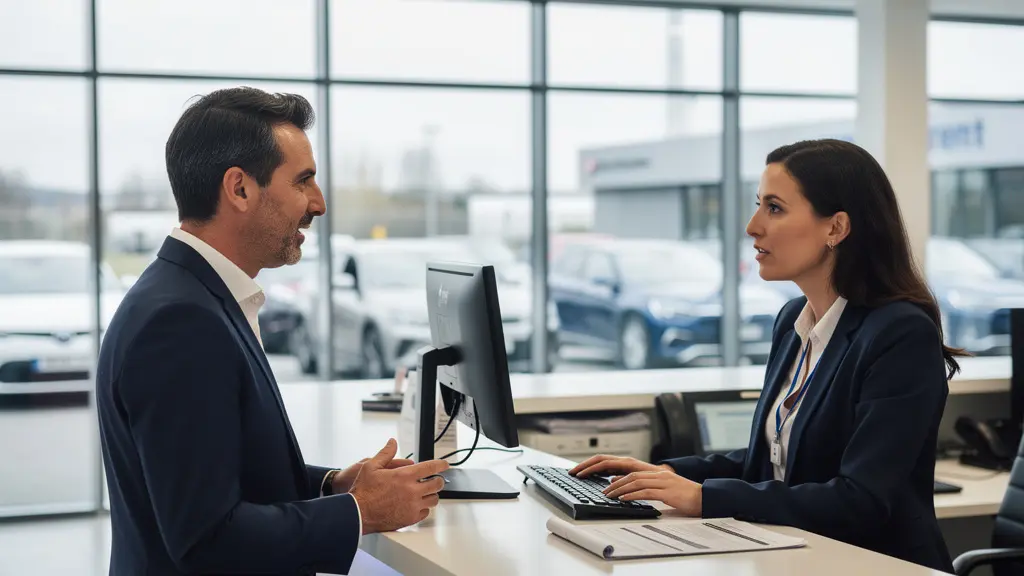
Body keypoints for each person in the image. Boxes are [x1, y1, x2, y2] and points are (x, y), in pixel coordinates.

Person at [96, 87, 449, 575]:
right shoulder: (180, 322)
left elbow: (223, 473)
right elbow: (205, 538)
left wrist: (335, 486)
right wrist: (360, 512)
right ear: (239, 188)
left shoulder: (193, 294)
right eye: (303, 181)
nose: (319, 204)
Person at [570, 139, 962, 573]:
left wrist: (702, 497)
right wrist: (660, 473)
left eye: (774, 208)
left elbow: (861, 500)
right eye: (759, 205)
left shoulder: (899, 334)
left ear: (836, 228)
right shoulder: (794, 321)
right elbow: (768, 462)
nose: (753, 226)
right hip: (796, 558)